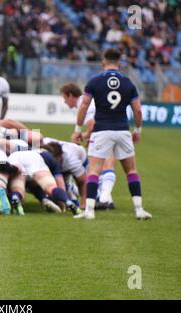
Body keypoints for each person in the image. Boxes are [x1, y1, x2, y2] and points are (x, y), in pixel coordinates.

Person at [71, 48, 152, 220]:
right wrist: (137, 130)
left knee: (94, 170)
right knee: (131, 171)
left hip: (102, 130)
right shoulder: (128, 83)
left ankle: (89, 211)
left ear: (103, 61)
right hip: (122, 130)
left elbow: (84, 106)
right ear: (120, 62)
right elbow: (137, 110)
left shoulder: (94, 81)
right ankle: (139, 210)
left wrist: (78, 130)